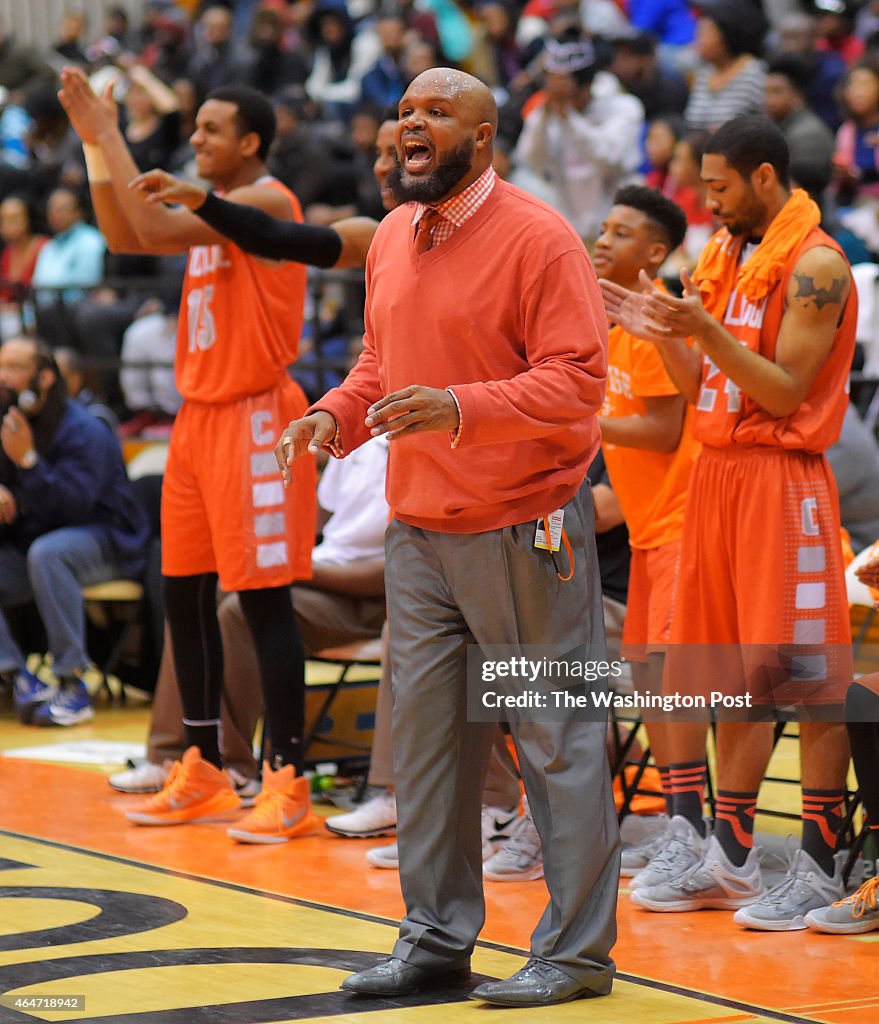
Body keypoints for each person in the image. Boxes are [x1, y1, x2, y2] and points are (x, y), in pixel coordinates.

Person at [277, 67, 618, 1008]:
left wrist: (459, 408)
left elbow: (577, 383)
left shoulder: (539, 238)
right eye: (403, 112)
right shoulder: (392, 232)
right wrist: (335, 415)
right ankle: (432, 939)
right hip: (417, 530)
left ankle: (578, 954)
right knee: (425, 747)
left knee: (554, 741)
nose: (409, 125)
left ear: (483, 135)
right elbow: (382, 362)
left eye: (434, 112)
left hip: (523, 524)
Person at [601, 114, 856, 931]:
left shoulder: (817, 264)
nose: (706, 201)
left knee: (809, 679)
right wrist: (661, 328)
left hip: (781, 479)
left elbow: (782, 390)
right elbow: (702, 375)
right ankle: (731, 856)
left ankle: (817, 865)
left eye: (717, 186)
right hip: (714, 473)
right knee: (718, 673)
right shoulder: (723, 253)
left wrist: (700, 327)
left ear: (764, 180)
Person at [58, 68, 319, 844]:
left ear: (249, 143)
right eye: (193, 126)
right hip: (197, 419)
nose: (196, 138)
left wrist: (110, 133)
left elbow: (157, 229)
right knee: (182, 593)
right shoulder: (210, 215)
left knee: (264, 598)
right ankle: (203, 765)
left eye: (210, 129)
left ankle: (288, 777)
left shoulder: (269, 204)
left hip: (253, 417)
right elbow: (125, 234)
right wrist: (94, 146)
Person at [593, 185, 703, 878]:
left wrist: (576, 425)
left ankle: (692, 833)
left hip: (680, 519)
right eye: (603, 228)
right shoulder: (611, 320)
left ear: (655, 254)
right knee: (648, 680)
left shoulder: (650, 320)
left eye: (621, 232)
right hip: (646, 528)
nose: (602, 240)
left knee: (669, 682)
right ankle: (680, 827)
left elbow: (663, 430)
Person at [0, 337, 148, 726]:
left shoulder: (85, 429)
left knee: (50, 552)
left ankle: (72, 684)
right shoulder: (9, 421)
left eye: (15, 367)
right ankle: (16, 677)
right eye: (1, 366)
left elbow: (72, 508)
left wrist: (28, 462)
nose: (3, 376)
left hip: (107, 539)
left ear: (44, 377)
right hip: (38, 545)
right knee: (43, 552)